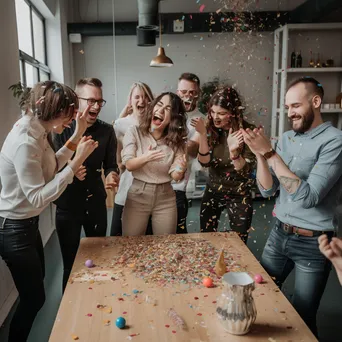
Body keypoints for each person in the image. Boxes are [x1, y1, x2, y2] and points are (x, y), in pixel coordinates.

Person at [241, 77, 342, 336]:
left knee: (303, 315)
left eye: (295, 106)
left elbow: (308, 197)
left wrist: (271, 155)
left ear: (316, 102)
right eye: (287, 107)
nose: (290, 113)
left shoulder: (335, 141)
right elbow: (267, 189)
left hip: (314, 243)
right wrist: (260, 155)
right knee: (259, 297)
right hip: (279, 234)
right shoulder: (286, 138)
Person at [0, 81, 97, 342]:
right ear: (54, 110)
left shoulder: (39, 131)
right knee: (34, 299)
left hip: (26, 225)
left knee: (36, 293)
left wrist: (78, 134)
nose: (71, 119)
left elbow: (52, 165)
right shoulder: (25, 141)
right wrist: (75, 165)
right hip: (14, 228)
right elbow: (37, 196)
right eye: (69, 114)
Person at [53, 78, 120, 292]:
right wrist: (69, 171)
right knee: (70, 265)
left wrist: (111, 175)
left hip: (96, 204)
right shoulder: (61, 128)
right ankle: (69, 313)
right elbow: (51, 167)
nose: (97, 106)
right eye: (91, 100)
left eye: (100, 101)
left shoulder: (107, 131)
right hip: (66, 206)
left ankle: (98, 304)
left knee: (99, 259)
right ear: (77, 100)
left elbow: (111, 165)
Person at [191, 86, 256, 243]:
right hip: (214, 188)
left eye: (221, 113)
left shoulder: (247, 131)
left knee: (239, 241)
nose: (215, 117)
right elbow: (204, 162)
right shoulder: (208, 126)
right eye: (213, 112)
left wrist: (234, 152)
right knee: (207, 237)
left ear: (233, 112)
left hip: (239, 193)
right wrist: (202, 135)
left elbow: (245, 171)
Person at [121, 92, 188, 235]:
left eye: (168, 109)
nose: (160, 110)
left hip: (166, 199)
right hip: (138, 195)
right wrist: (146, 157)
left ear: (174, 118)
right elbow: (128, 164)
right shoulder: (134, 132)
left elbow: (175, 175)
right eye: (159, 104)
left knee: (164, 246)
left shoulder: (177, 141)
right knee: (131, 245)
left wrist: (180, 168)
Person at [110, 82, 154, 236]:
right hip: (126, 189)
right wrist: (119, 166)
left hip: (151, 193)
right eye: (137, 97)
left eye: (145, 97)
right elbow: (115, 158)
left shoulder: (155, 124)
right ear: (130, 101)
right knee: (117, 239)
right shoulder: (120, 125)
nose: (141, 101)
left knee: (149, 242)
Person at [173, 72, 205, 233]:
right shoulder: (169, 114)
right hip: (156, 184)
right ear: (177, 92)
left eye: (192, 92)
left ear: (198, 94)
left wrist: (170, 142)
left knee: (179, 232)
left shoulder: (202, 120)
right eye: (184, 92)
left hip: (179, 187)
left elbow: (192, 149)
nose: (188, 96)